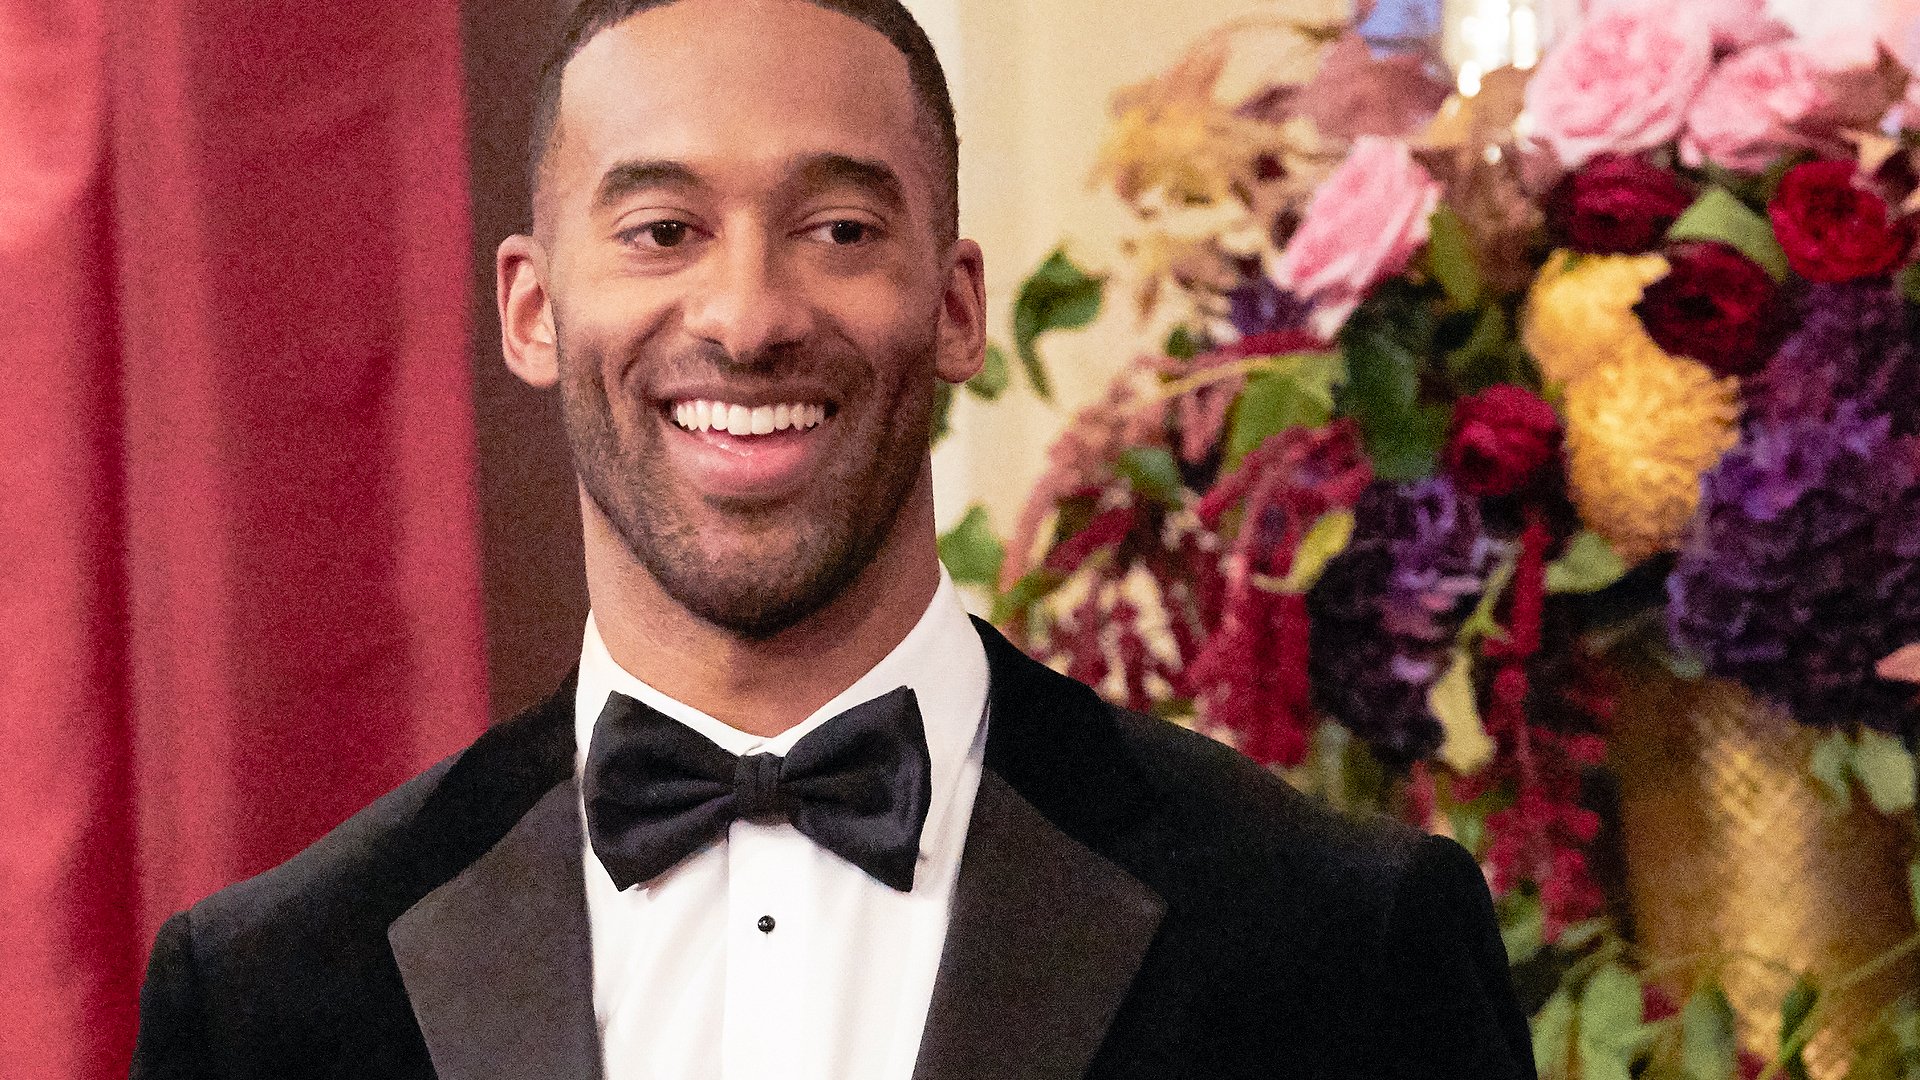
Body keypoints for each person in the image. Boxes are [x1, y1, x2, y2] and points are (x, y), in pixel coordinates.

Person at [128, 0, 1536, 1076]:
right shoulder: (264, 998)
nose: (748, 317)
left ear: (957, 306)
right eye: (663, 229)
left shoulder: (1344, 942)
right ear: (533, 310)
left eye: (841, 229)